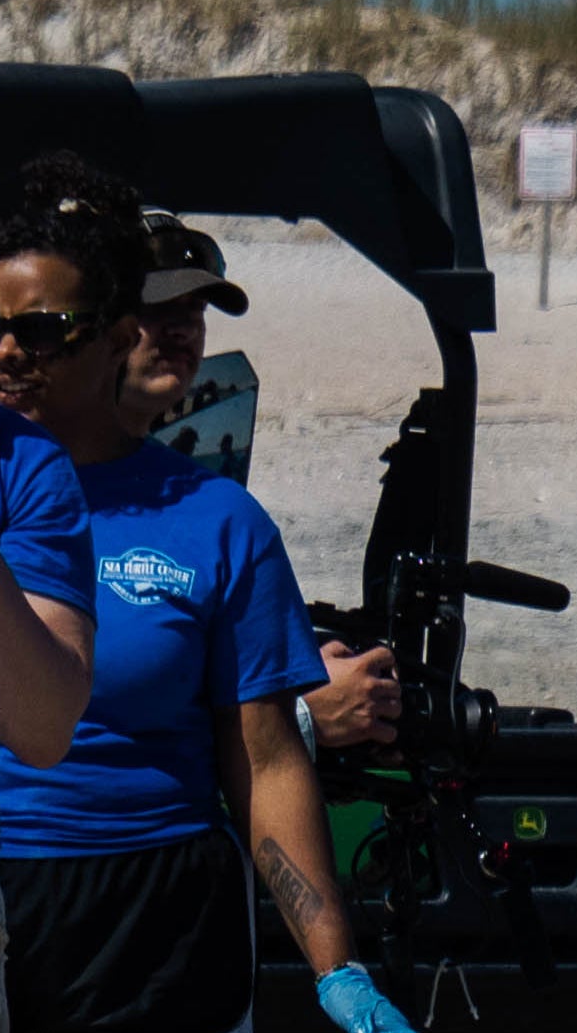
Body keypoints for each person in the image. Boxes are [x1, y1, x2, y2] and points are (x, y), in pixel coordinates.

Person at [0, 161, 453, 1033]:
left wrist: (336, 963)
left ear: (111, 335)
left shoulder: (212, 522)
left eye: (46, 329)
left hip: (141, 912)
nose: (12, 352)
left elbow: (268, 761)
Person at [120, 217, 398, 749]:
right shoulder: (19, 484)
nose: (183, 329)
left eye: (195, 311)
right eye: (156, 308)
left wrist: (284, 693)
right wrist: (302, 717)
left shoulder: (225, 516)